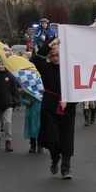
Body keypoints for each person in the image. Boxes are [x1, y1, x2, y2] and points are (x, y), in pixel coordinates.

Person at [32, 37, 77, 179]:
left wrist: (68, 102)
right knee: (52, 138)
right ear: (49, 57)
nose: (56, 58)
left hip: (68, 107)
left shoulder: (69, 69)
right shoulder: (45, 68)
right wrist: (48, 45)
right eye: (52, 56)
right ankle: (54, 157)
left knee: (66, 138)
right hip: (50, 106)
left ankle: (66, 168)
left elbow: (77, 89)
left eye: (58, 55)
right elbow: (37, 58)